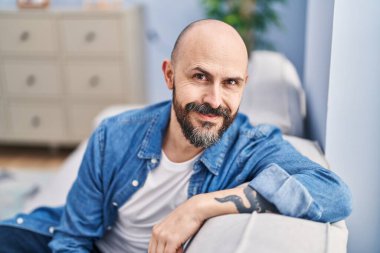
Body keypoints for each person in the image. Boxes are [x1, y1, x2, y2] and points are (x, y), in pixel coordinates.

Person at [0, 19, 352, 253]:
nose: (215, 100)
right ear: (170, 75)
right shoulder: (114, 134)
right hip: (51, 236)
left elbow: (334, 194)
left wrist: (199, 207)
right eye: (200, 76)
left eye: (230, 83)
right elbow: (72, 239)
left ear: (243, 84)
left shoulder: (251, 147)